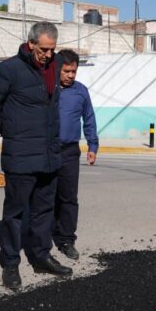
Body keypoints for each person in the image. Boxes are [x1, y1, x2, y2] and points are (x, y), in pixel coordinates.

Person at [0, 21, 71, 293]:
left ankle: (41, 256)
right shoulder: (8, 70)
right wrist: (13, 132)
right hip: (20, 155)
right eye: (43, 49)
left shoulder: (56, 65)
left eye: (52, 49)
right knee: (15, 213)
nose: (48, 54)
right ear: (31, 43)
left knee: (44, 210)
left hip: (49, 155)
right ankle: (11, 263)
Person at [53, 49, 98, 260]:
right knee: (45, 197)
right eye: (66, 71)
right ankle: (42, 237)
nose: (71, 75)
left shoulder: (81, 91)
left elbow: (89, 118)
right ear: (57, 69)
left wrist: (92, 146)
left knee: (68, 197)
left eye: (74, 71)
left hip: (70, 152)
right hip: (47, 151)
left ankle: (66, 240)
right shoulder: (47, 89)